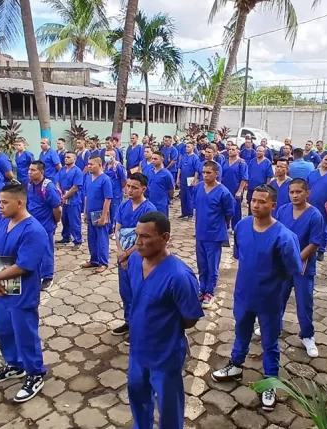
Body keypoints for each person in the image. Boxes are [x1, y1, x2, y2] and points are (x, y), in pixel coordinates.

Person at [211, 185, 303, 411]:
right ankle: (236, 365)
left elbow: (294, 268)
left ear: (273, 205)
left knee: (269, 342)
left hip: (270, 299)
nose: (256, 205)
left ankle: (270, 381)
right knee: (241, 331)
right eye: (253, 200)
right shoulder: (241, 226)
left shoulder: (284, 236)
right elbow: (239, 256)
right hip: (243, 294)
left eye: (262, 202)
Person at [126, 212, 203, 429]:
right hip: (138, 350)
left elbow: (190, 318)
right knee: (138, 395)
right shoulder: (134, 261)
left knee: (169, 407)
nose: (138, 242)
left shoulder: (179, 276)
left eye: (145, 237)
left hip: (165, 354)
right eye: (136, 235)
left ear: (165, 237)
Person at [0, 183, 49, 403]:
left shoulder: (33, 230)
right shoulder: (3, 224)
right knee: (5, 330)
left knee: (25, 334)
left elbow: (24, 265)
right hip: (4, 288)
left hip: (23, 291)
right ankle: (14, 364)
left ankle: (35, 373)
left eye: (4, 202)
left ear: (19, 202)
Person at [271, 178, 324, 358]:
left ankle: (307, 335)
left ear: (307, 193)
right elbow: (275, 233)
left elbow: (315, 242)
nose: (294, 195)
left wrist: (294, 259)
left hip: (303, 268)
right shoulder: (283, 210)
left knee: (304, 303)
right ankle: (273, 327)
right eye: (292, 192)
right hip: (282, 266)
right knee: (278, 299)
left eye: (298, 192)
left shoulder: (315, 215)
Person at [112, 173, 157, 339]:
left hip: (139, 257)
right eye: (128, 186)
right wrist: (120, 252)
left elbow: (143, 239)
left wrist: (127, 255)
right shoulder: (123, 206)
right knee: (125, 292)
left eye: (134, 187)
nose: (129, 190)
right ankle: (129, 322)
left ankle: (140, 328)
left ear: (143, 189)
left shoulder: (149, 210)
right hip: (122, 256)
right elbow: (117, 230)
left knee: (139, 292)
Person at [194, 161, 234, 309]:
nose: (205, 175)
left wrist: (219, 225)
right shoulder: (198, 188)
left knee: (212, 266)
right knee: (201, 264)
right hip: (200, 233)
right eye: (203, 172)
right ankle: (201, 288)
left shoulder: (223, 192)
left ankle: (209, 291)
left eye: (209, 173)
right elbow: (197, 208)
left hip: (215, 235)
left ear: (216, 174)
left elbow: (229, 213)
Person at [26, 161, 62, 289]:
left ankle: (47, 277)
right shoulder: (30, 185)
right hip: (32, 224)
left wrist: (54, 221)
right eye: (29, 169)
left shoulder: (48, 187)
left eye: (33, 170)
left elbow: (57, 208)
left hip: (45, 224)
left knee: (46, 250)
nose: (30, 172)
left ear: (41, 172)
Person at [82, 155, 113, 273]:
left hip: (100, 213)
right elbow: (86, 196)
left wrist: (104, 217)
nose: (89, 166)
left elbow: (108, 199)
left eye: (92, 164)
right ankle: (93, 260)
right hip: (90, 212)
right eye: (88, 164)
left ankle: (103, 262)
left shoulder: (105, 179)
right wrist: (85, 212)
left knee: (102, 238)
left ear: (99, 165)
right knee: (91, 238)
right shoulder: (88, 178)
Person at [56, 152, 84, 249]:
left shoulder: (77, 171)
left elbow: (75, 187)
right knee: (65, 219)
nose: (66, 159)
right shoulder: (62, 170)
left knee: (74, 221)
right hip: (63, 196)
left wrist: (65, 197)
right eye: (65, 157)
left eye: (68, 157)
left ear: (74, 159)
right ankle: (66, 237)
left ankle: (78, 240)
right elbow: (58, 182)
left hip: (73, 199)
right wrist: (60, 193)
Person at [221, 144, 248, 231]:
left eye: (233, 149)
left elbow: (244, 178)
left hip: (235, 188)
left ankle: (236, 227)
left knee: (235, 209)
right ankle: (225, 225)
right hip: (225, 188)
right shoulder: (225, 161)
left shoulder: (241, 163)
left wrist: (240, 191)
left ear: (237, 151)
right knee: (224, 207)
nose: (230, 151)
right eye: (229, 149)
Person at [104, 148, 127, 235]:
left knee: (115, 212)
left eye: (108, 155)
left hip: (116, 192)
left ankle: (116, 230)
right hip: (107, 192)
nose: (106, 157)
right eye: (105, 155)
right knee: (108, 211)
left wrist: (120, 189)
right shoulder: (105, 165)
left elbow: (124, 180)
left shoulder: (118, 166)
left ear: (113, 156)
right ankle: (109, 229)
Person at [147, 151, 175, 217]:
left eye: (155, 159)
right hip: (151, 201)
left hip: (162, 203)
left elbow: (171, 189)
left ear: (162, 159)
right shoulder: (150, 172)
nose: (153, 160)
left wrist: (169, 198)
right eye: (152, 159)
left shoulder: (166, 174)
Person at [246, 146, 273, 214]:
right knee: (250, 205)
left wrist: (267, 187)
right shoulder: (252, 161)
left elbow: (269, 176)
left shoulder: (267, 163)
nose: (258, 152)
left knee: (260, 207)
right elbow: (248, 173)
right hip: (251, 188)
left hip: (261, 189)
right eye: (257, 151)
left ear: (264, 152)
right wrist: (246, 183)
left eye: (260, 151)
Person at [177, 143, 200, 220]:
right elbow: (179, 167)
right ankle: (184, 212)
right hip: (183, 178)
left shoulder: (195, 158)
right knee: (183, 196)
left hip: (190, 178)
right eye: (186, 147)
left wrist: (195, 179)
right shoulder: (183, 156)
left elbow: (197, 170)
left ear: (192, 148)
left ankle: (190, 213)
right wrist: (178, 178)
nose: (186, 148)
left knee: (189, 196)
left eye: (188, 147)